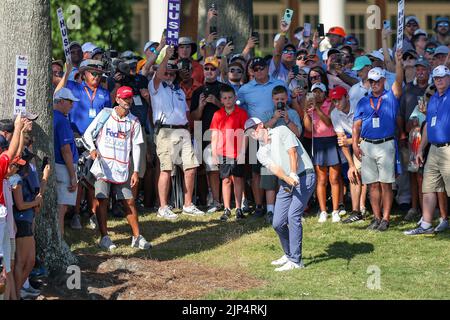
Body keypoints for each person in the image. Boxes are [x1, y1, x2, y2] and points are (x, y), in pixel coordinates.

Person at [83, 86, 151, 251]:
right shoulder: (105, 114)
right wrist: (92, 150)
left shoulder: (134, 121)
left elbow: (136, 146)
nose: (129, 101)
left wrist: (135, 171)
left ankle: (137, 237)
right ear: (118, 99)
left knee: (129, 201)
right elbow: (87, 134)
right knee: (102, 200)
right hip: (103, 167)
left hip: (122, 168)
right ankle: (104, 237)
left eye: (130, 98)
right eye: (125, 98)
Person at [246, 117, 315, 271]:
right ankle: (289, 253)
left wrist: (293, 173)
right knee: (277, 222)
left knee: (293, 216)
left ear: (261, 125)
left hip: (305, 175)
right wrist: (287, 178)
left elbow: (292, 153)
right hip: (286, 181)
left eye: (254, 129)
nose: (253, 133)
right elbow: (275, 169)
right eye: (249, 132)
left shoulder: (281, 131)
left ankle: (296, 261)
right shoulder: (260, 152)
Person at [149, 46, 204, 219]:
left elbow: (186, 115)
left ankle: (188, 204)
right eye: (167, 73)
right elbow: (159, 74)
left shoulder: (179, 91)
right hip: (165, 130)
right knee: (166, 169)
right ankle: (163, 207)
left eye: (173, 73)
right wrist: (166, 56)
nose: (170, 76)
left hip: (183, 130)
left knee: (191, 167)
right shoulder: (155, 86)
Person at [352, 50, 404, 232]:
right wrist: (354, 144)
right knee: (372, 183)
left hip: (386, 144)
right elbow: (356, 126)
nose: (374, 84)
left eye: (377, 81)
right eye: (371, 81)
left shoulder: (390, 97)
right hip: (367, 145)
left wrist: (398, 62)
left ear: (383, 81)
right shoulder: (363, 102)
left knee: (385, 183)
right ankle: (376, 217)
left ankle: (386, 218)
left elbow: (398, 81)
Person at [63, 60, 111, 229]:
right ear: (83, 74)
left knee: (93, 178)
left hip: (96, 141)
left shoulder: (104, 94)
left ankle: (93, 214)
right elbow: (58, 85)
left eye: (99, 74)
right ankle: (75, 214)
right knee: (77, 178)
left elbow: (107, 117)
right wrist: (68, 70)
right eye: (93, 73)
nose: (97, 77)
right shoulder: (74, 88)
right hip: (76, 138)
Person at [237, 57, 287, 218]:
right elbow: (238, 108)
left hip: (275, 133)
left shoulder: (279, 84)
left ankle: (276, 206)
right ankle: (259, 206)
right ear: (251, 71)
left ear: (267, 68)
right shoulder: (245, 89)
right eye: (255, 68)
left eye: (262, 67)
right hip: (254, 134)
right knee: (256, 172)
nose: (259, 71)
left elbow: (289, 103)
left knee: (275, 168)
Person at [404, 65, 450, 235]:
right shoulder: (433, 100)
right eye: (436, 78)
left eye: (442, 77)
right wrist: (420, 150)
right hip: (434, 150)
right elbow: (427, 128)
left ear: (448, 78)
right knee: (428, 187)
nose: (439, 80)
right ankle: (426, 224)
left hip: (448, 148)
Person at [303, 82, 343, 223]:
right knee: (321, 179)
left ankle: (336, 210)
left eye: (320, 92)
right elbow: (308, 129)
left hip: (331, 141)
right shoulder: (310, 108)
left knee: (334, 179)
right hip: (318, 143)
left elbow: (328, 122)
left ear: (325, 93)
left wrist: (317, 109)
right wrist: (305, 111)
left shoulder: (330, 104)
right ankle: (323, 211)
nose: (317, 94)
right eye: (315, 92)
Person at [399, 58, 431, 221]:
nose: (420, 72)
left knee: (426, 176)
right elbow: (400, 114)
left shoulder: (433, 89)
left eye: (423, 69)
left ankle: (430, 209)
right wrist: (403, 134)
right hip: (412, 136)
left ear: (428, 71)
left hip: (429, 138)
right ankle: (414, 207)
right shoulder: (408, 89)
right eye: (417, 69)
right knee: (413, 174)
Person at [210, 85, 248, 221]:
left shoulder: (242, 113)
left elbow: (245, 134)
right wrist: (214, 153)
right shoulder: (217, 114)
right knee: (225, 180)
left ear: (235, 98)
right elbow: (215, 134)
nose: (228, 100)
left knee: (238, 179)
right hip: (223, 151)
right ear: (221, 100)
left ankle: (238, 207)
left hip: (237, 152)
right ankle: (227, 208)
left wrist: (243, 151)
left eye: (230, 97)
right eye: (225, 98)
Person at [190, 56, 223, 213]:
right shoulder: (197, 91)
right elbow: (194, 117)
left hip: (222, 132)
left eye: (213, 69)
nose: (209, 71)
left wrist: (217, 103)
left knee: (218, 167)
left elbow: (232, 112)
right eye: (207, 68)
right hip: (200, 132)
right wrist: (201, 106)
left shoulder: (224, 88)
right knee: (203, 168)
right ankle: (207, 200)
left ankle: (219, 200)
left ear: (217, 71)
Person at [329, 86, 367, 223]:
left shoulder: (359, 106)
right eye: (333, 101)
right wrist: (351, 165)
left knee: (371, 178)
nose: (336, 103)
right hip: (355, 142)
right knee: (354, 174)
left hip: (370, 141)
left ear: (347, 97)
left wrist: (350, 141)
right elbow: (341, 141)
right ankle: (356, 211)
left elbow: (367, 134)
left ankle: (368, 210)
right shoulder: (334, 114)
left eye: (338, 100)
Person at [53, 88, 80, 236]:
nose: (72, 106)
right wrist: (72, 176)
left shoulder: (54, 117)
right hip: (63, 167)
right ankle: (59, 239)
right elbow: (66, 150)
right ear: (61, 101)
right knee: (61, 207)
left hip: (57, 164)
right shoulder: (62, 120)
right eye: (70, 102)